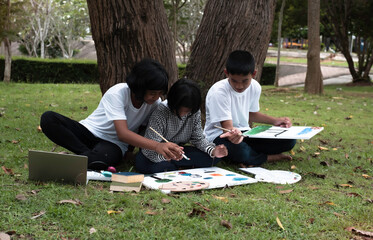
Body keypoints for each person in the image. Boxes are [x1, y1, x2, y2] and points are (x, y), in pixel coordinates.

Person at [40, 59, 183, 170]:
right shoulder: (118, 93)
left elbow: (140, 128)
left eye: (159, 93)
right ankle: (87, 155)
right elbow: (123, 133)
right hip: (88, 132)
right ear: (139, 87)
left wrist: (129, 151)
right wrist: (157, 146)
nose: (156, 97)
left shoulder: (155, 104)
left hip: (113, 145)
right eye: (152, 93)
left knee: (104, 159)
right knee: (48, 119)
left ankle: (88, 158)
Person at [203, 50, 296, 167]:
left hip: (245, 133)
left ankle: (250, 155)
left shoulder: (255, 87)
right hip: (220, 136)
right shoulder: (219, 92)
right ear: (226, 73)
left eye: (245, 81)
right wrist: (237, 137)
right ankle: (266, 157)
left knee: (289, 140)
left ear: (254, 74)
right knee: (239, 150)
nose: (239, 86)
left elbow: (250, 113)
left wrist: (275, 121)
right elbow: (228, 130)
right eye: (234, 80)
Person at [135, 78, 228, 174]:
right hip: (157, 152)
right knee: (146, 163)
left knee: (213, 158)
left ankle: (176, 164)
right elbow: (149, 148)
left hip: (179, 151)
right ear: (172, 103)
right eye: (178, 110)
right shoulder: (161, 112)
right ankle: (176, 164)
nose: (183, 114)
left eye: (187, 111)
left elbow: (198, 139)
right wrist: (166, 156)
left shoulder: (194, 112)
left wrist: (213, 151)